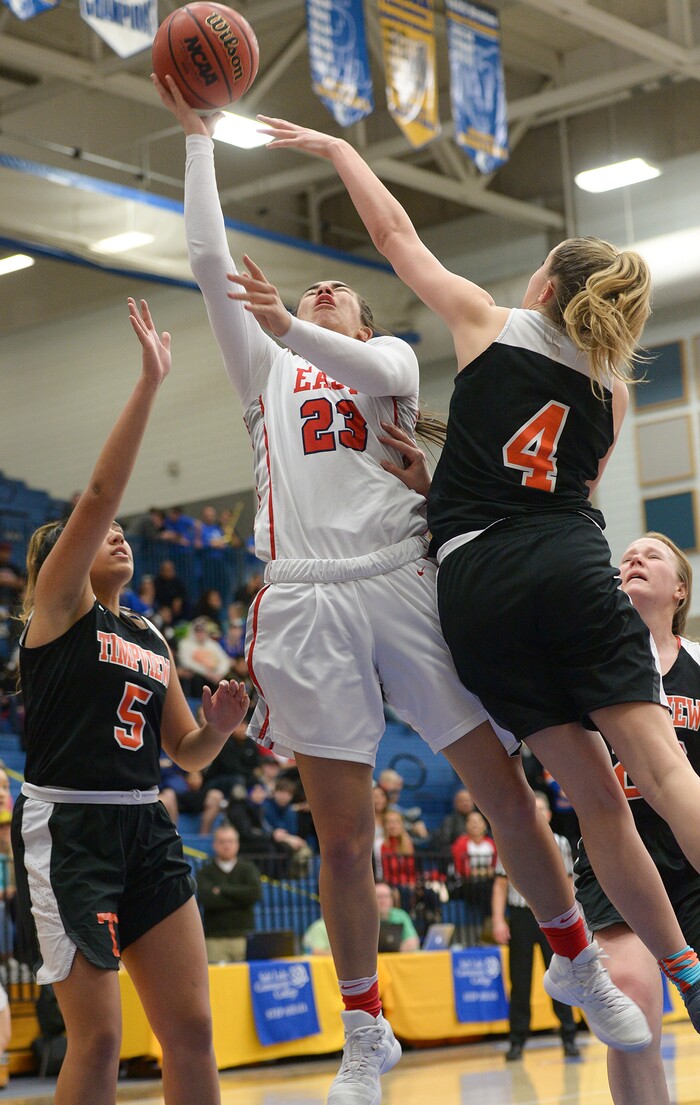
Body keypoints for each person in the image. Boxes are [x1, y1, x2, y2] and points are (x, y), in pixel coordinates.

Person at [152, 74, 658, 1105]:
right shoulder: (265, 369)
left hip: (402, 582)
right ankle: (365, 1026)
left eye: (333, 291)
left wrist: (289, 322)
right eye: (305, 296)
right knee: (339, 836)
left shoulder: (382, 359)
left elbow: (335, 336)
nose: (317, 292)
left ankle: (577, 958)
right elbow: (207, 261)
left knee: (505, 792)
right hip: (299, 594)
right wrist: (200, 139)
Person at [255, 112, 700, 1035]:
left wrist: (340, 149)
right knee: (660, 769)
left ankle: (680, 964)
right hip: (570, 561)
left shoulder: (485, 320)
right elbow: (563, 484)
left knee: (589, 803)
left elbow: (394, 235)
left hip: (478, 582)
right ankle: (691, 965)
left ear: (545, 281)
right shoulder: (613, 393)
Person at [11, 298, 250, 1105]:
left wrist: (218, 730)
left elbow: (185, 752)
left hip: (145, 822)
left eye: (122, 532)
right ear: (60, 564)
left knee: (190, 1030)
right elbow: (104, 491)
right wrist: (150, 383)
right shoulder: (60, 610)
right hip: (69, 827)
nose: (118, 533)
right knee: (103, 1036)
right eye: (95, 531)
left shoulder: (148, 633)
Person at [575, 532, 700, 1103]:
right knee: (629, 993)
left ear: (680, 589)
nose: (633, 559)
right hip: (618, 854)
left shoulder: (698, 661)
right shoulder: (587, 661)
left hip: (691, 861)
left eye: (651, 554)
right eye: (625, 555)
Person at [492, 792, 580, 1061]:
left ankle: (569, 1036)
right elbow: (500, 883)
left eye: (543, 808)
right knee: (519, 981)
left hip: (552, 914)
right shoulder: (508, 837)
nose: (538, 811)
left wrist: (573, 916)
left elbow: (567, 882)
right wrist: (497, 920)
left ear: (550, 815)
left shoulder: (560, 842)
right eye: (534, 807)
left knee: (560, 976)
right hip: (520, 915)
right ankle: (517, 1041)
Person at [196, 824, 262, 963]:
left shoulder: (248, 868)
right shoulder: (205, 872)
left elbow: (254, 894)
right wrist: (239, 896)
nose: (226, 846)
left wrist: (222, 889)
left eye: (230, 841)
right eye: (222, 842)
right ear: (214, 845)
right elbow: (206, 900)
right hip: (215, 940)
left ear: (237, 844)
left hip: (243, 937)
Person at [304, 882, 419, 955]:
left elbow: (413, 941)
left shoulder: (400, 915)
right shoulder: (320, 926)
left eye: (386, 896)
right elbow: (314, 952)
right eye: (379, 897)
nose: (383, 900)